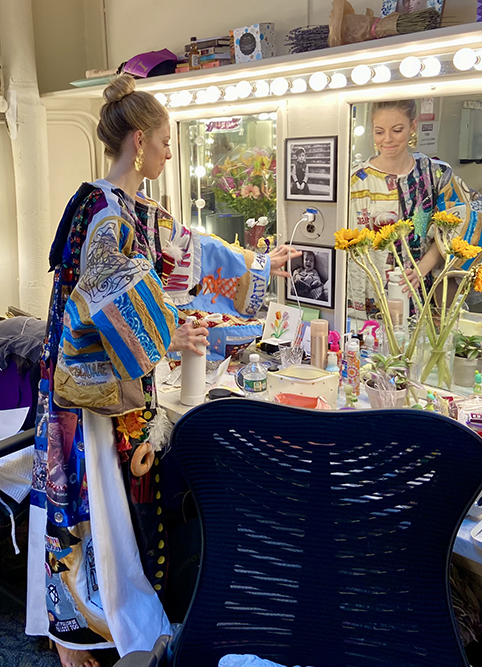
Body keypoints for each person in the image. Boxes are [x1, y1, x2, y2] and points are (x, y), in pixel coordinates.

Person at [25, 74, 300, 667]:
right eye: (168, 140)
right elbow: (97, 297)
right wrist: (165, 332)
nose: (172, 151)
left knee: (116, 504)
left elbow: (190, 251)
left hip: (122, 380)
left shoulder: (135, 209)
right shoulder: (100, 209)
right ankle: (76, 630)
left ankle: (101, 614)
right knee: (90, 497)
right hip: (90, 385)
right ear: (142, 139)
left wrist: (256, 264)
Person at [348, 98, 482, 320]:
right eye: (379, 132)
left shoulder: (435, 174)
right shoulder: (354, 181)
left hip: (422, 290)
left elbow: (465, 219)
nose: (387, 139)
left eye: (397, 130)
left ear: (412, 126)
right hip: (365, 292)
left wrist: (422, 269)